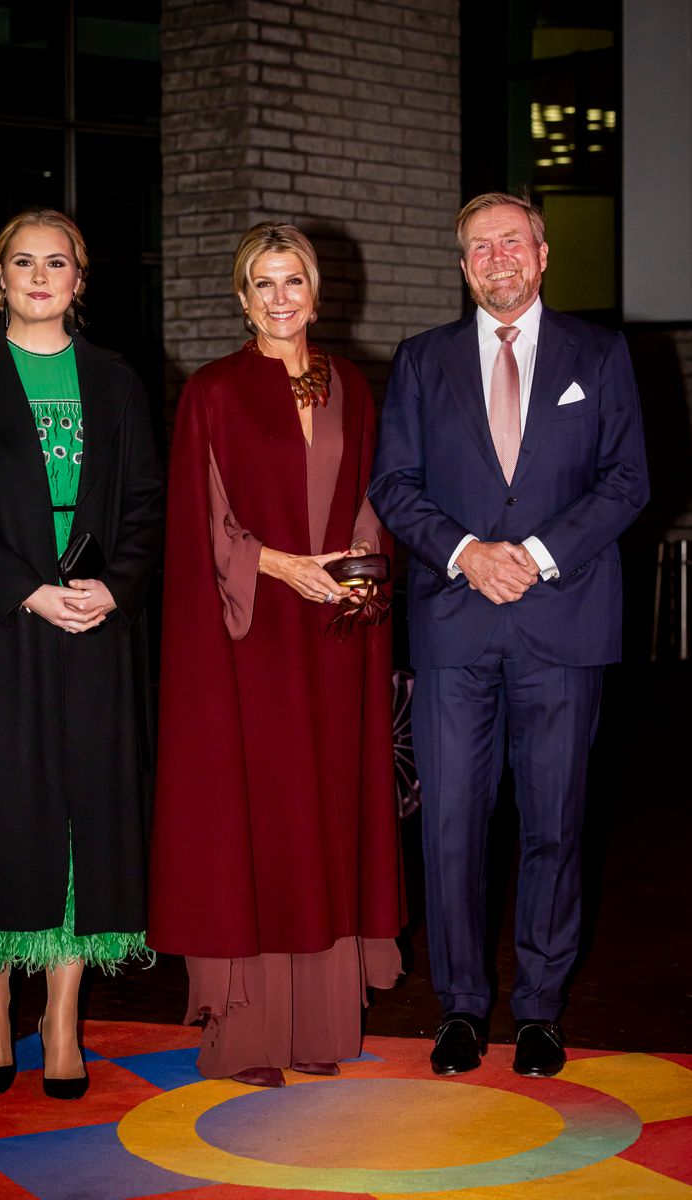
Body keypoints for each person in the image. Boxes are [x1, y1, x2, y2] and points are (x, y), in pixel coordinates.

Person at [369, 192, 649, 1078]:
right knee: (451, 827)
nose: (497, 258)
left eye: (511, 242)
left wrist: (529, 554)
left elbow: (627, 481)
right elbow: (395, 486)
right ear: (462, 267)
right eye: (479, 247)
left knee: (554, 826)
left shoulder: (600, 356)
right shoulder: (420, 361)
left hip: (563, 627)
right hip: (454, 630)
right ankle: (459, 1007)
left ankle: (539, 1011)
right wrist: (466, 553)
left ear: (543, 254)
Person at [148, 222, 404, 1086]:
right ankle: (251, 1038)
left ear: (317, 291)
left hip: (333, 637)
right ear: (242, 296)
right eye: (264, 283)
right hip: (249, 638)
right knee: (257, 823)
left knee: (324, 819)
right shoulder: (213, 393)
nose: (281, 297)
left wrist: (363, 576)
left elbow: (372, 497)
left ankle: (318, 1030)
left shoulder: (351, 388)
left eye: (294, 281)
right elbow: (203, 523)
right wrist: (276, 565)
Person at [0, 209, 164, 1099]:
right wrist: (26, 588)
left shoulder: (117, 381)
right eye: (22, 261)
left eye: (55, 262)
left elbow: (145, 501)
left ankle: (62, 1015)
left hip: (96, 626)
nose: (38, 274)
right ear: (0, 277)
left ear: (79, 278)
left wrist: (115, 587)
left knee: (84, 816)